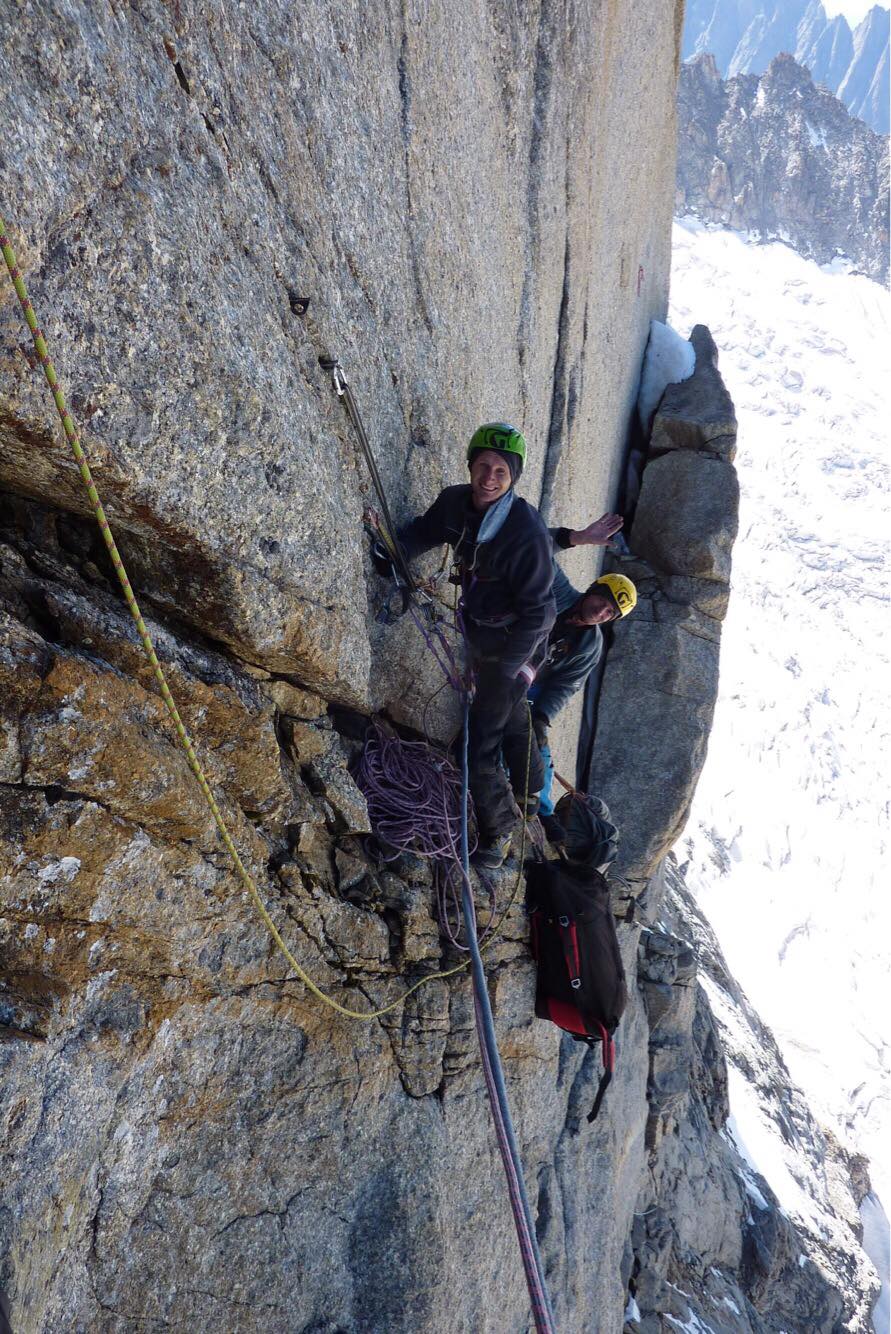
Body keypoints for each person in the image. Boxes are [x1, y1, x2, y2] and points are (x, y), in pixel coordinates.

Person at [394, 423, 556, 868]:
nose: (489, 477)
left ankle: (499, 832)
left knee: (481, 741)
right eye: (483, 465)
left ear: (513, 478)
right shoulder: (455, 504)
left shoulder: (526, 533)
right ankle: (526, 790)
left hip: (516, 646)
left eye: (501, 471)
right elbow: (423, 532)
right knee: (510, 718)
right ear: (470, 465)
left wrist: (504, 671)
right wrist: (394, 552)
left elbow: (541, 614)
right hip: (482, 633)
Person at [528, 518, 637, 843]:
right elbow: (534, 543)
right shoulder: (557, 589)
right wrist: (577, 538)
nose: (601, 612)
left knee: (538, 746)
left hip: (529, 684)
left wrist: (542, 717)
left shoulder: (590, 646)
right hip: (500, 652)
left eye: (609, 614)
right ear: (593, 590)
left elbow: (564, 685)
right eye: (602, 602)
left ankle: (543, 811)